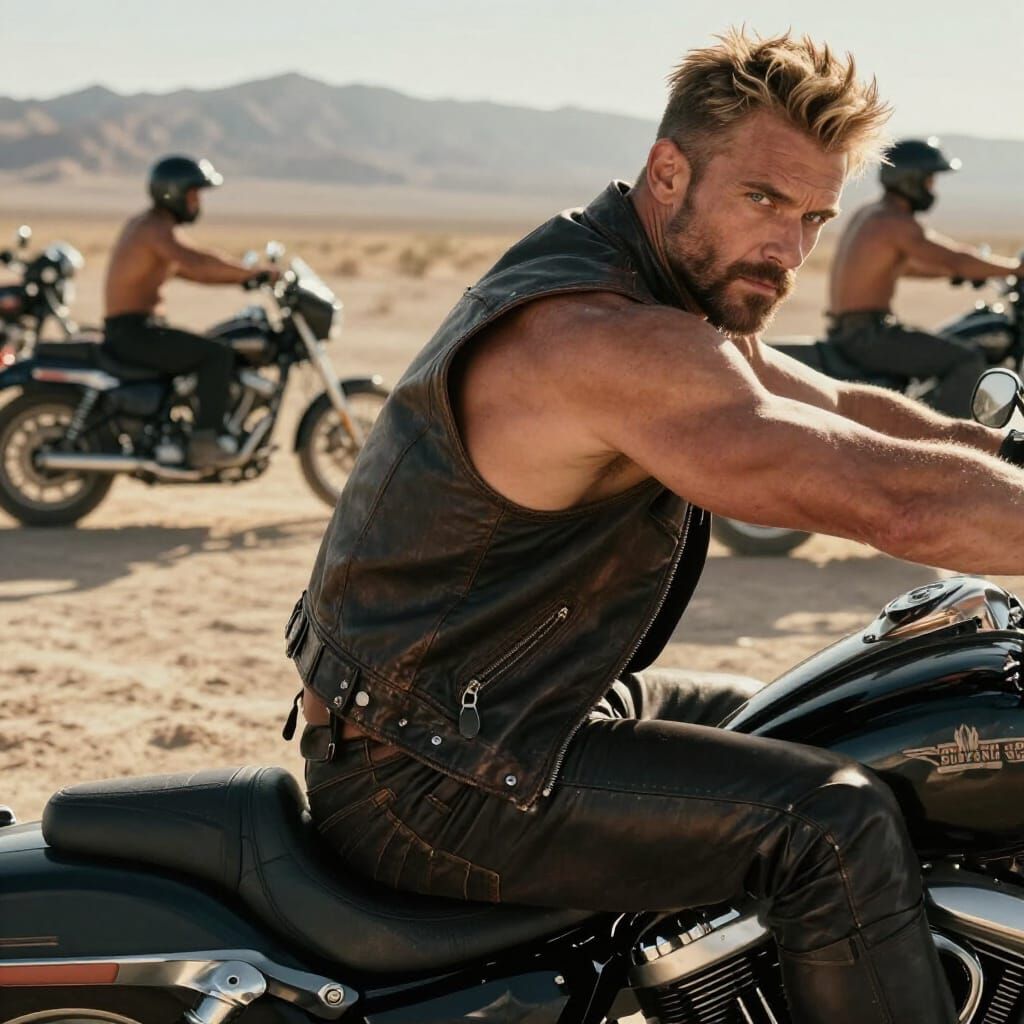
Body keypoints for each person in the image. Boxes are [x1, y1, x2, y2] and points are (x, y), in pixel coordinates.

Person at [283, 30, 1024, 1023]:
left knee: (850, 715)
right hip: (429, 776)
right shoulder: (597, 333)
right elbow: (874, 493)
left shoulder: (650, 284)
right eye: (763, 200)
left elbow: (849, 409)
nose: (789, 248)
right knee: (829, 822)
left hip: (513, 706)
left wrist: (1002, 460)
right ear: (667, 173)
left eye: (811, 217)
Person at [827, 137, 1023, 416]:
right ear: (911, 180)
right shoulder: (895, 222)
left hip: (853, 330)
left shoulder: (872, 214)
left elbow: (906, 268)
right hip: (868, 335)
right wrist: (1016, 269)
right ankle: (939, 436)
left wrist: (949, 273)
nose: (932, 189)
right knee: (967, 359)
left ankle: (915, 414)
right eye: (930, 181)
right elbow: (957, 259)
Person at [103, 155, 276, 467]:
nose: (198, 202)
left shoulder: (151, 226)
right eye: (193, 194)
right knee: (216, 355)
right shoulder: (154, 230)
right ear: (173, 193)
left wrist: (241, 280)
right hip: (133, 331)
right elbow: (197, 261)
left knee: (209, 346)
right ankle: (205, 443)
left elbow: (194, 272)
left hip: (135, 329)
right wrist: (251, 272)